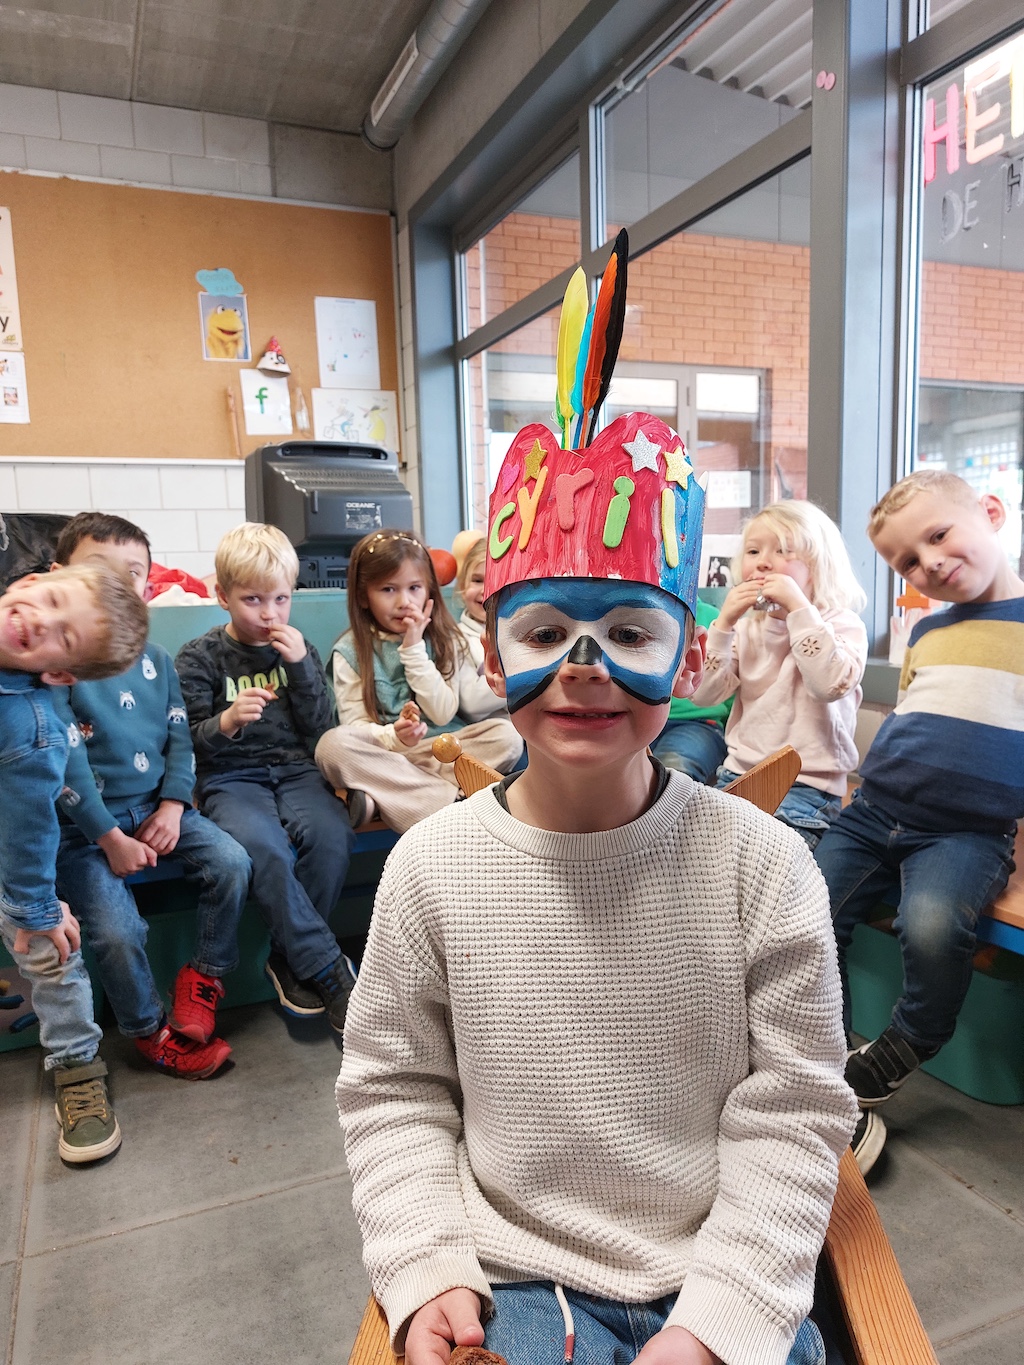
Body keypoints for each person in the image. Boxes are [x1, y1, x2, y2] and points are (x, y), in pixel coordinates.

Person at [336, 403, 857, 1365]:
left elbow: (797, 1108)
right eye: (544, 632)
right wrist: (426, 1261)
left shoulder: (765, 864)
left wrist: (719, 1319)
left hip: (720, 1266)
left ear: (689, 656)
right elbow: (394, 1089)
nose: (585, 668)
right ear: (494, 654)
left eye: (629, 631)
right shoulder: (429, 868)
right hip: (515, 1277)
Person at [815, 470, 1024, 1173]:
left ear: (990, 512)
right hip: (874, 811)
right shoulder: (929, 629)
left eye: (938, 535)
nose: (928, 562)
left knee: (931, 925)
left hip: (966, 832)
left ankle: (910, 1040)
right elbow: (915, 715)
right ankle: (826, 1056)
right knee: (809, 911)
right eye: (907, 560)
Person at [51, 513, 250, 1078]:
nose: (118, 583)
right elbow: (66, 767)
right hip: (85, 831)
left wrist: (173, 805)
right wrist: (110, 838)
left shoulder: (157, 660)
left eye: (133, 572)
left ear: (147, 585)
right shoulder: (57, 670)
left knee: (232, 862)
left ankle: (204, 975)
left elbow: (179, 739)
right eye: (98, 569)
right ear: (59, 576)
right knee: (117, 932)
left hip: (157, 809)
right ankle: (148, 1031)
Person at [175, 522, 358, 1033]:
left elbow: (321, 729)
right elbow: (186, 741)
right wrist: (227, 722)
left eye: (280, 599)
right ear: (223, 597)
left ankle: (288, 957)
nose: (270, 614)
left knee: (332, 836)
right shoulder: (199, 657)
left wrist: (299, 667)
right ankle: (328, 969)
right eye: (253, 600)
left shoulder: (298, 650)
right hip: (230, 778)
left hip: (296, 771)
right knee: (267, 850)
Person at [0, 561, 148, 1162]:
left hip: (13, 859)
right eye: (52, 600)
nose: (42, 621)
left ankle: (77, 1067)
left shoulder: (31, 727)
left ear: (59, 673)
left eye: (63, 634)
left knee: (49, 945)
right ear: (32, 581)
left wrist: (35, 908)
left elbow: (26, 834)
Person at [314, 530, 522, 834]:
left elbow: (442, 713)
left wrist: (413, 649)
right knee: (331, 746)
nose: (404, 602)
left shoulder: (445, 639)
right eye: (388, 589)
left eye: (414, 588)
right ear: (363, 596)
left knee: (506, 735)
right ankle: (452, 803)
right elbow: (354, 725)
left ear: (429, 591)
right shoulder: (350, 651)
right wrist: (395, 736)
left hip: (440, 752)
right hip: (386, 753)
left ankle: (384, 796)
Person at [691, 500, 868, 848]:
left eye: (783, 551)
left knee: (767, 861)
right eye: (753, 551)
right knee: (697, 855)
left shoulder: (841, 624)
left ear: (818, 567)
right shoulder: (745, 630)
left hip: (805, 788)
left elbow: (828, 685)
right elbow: (703, 694)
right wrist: (723, 624)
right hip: (737, 774)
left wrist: (799, 608)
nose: (763, 562)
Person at [650, 598, 732, 783]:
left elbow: (730, 686)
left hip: (698, 722)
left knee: (673, 772)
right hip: (641, 715)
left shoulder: (713, 617)